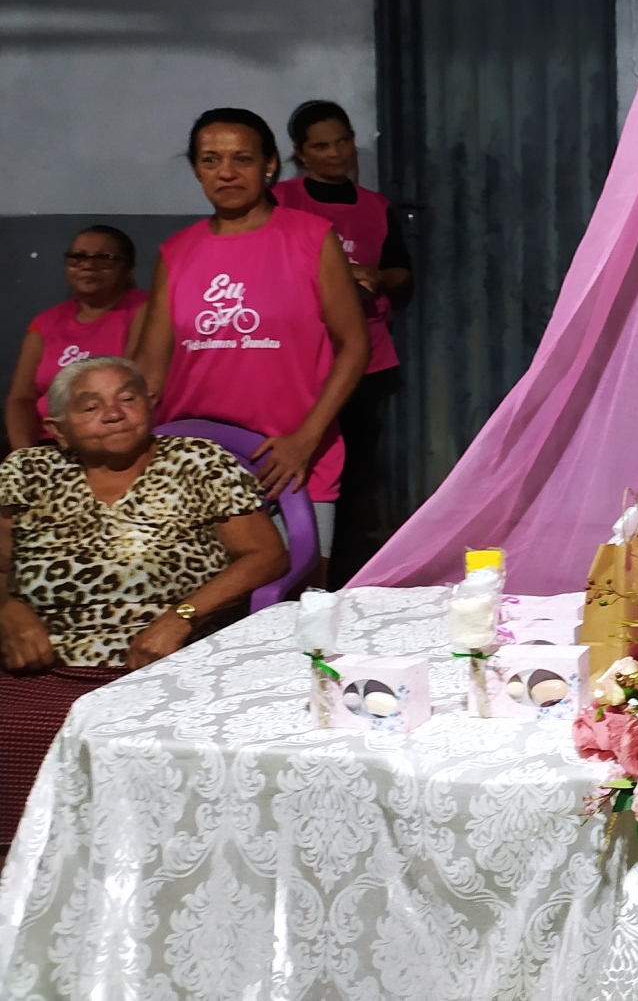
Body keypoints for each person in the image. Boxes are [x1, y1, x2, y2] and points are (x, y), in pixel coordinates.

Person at [0, 356, 288, 852]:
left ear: (150, 406)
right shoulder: (27, 471)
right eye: (90, 406)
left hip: (162, 662)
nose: (113, 414)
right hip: (40, 660)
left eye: (127, 398)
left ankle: (141, 868)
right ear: (58, 429)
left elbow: (266, 555)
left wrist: (180, 618)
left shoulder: (198, 461)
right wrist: (7, 608)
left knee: (152, 763)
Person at [135, 108, 368, 566]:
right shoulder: (176, 252)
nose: (226, 172)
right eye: (210, 160)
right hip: (195, 464)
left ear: (269, 165)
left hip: (292, 460)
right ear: (196, 170)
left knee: (298, 595)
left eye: (242, 158)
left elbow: (354, 345)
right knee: (201, 597)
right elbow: (151, 370)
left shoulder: (311, 238)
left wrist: (306, 438)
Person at [271, 100, 410, 585]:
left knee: (355, 475)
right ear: (299, 153)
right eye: (321, 146)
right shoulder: (281, 201)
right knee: (299, 467)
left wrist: (378, 277)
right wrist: (338, 272)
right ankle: (291, 567)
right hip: (301, 360)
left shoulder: (375, 207)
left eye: (342, 141)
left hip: (367, 359)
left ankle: (344, 576)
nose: (335, 153)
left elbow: (402, 272)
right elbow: (271, 265)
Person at [5, 225, 148, 451]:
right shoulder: (45, 322)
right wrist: (24, 455)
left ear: (129, 268)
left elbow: (134, 385)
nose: (88, 265)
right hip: (49, 445)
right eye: (77, 257)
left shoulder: (146, 310)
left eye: (104, 258)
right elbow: (21, 398)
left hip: (114, 443)